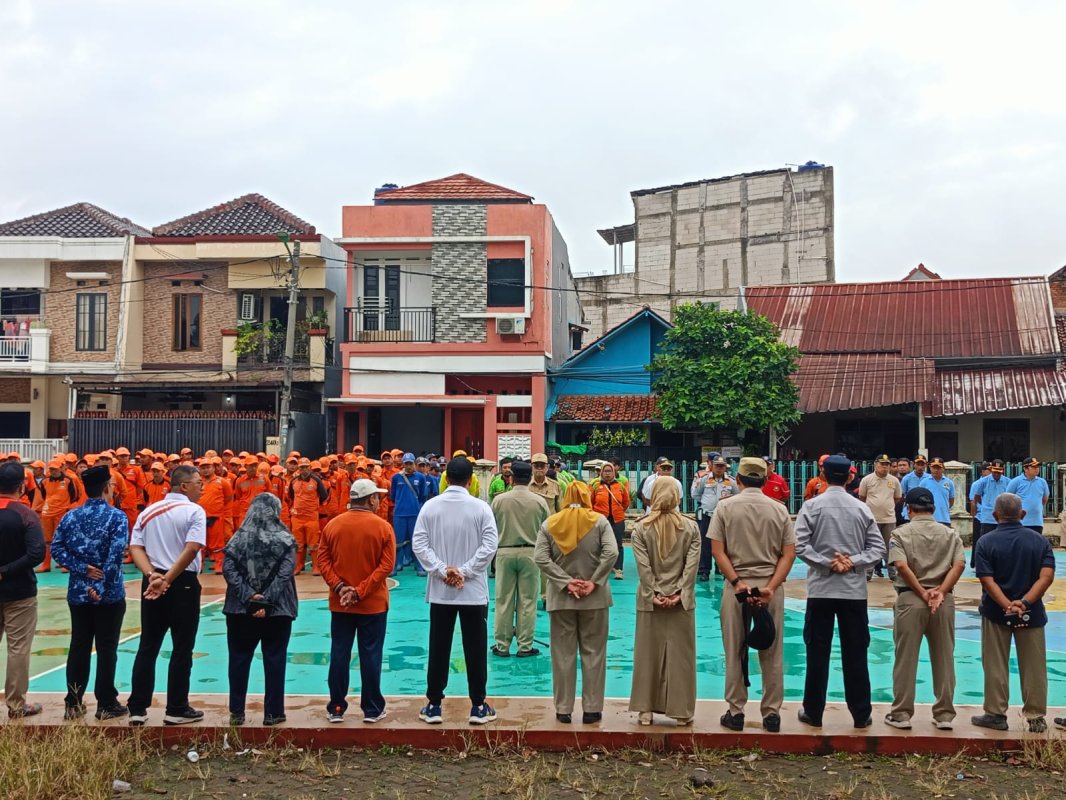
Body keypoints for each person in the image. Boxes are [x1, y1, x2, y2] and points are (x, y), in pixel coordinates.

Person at [794, 455, 886, 729]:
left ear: (822, 475)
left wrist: (827, 563)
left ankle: (813, 711)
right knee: (856, 652)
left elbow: (800, 545)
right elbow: (878, 549)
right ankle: (860, 713)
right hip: (853, 591)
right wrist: (852, 562)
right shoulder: (862, 509)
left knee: (817, 651)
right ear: (850, 477)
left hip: (821, 589)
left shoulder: (811, 507)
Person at [708, 457, 795, 732]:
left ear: (738, 479)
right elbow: (789, 554)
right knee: (772, 649)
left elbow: (717, 551)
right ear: (766, 479)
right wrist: (770, 586)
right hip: (770, 586)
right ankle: (771, 714)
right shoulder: (779, 509)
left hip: (737, 587)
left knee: (734, 649)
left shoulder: (725, 507)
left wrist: (736, 582)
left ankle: (736, 711)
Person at [412, 456, 498, 724]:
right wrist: (465, 571)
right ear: (471, 480)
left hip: (442, 591)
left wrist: (442, 570)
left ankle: (434, 704)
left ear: (446, 478)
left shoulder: (430, 507)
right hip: (472, 592)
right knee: (475, 648)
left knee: (439, 646)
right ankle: (478, 706)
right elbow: (489, 546)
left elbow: (419, 544)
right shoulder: (481, 508)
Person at [126, 464, 208, 726]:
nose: (202, 485)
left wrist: (152, 576)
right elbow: (193, 547)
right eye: (197, 482)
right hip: (180, 582)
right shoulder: (194, 511)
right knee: (182, 647)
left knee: (148, 645)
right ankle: (176, 707)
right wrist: (168, 579)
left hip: (152, 582)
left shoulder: (149, 511)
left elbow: (135, 547)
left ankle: (137, 708)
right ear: (183, 486)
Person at [971, 493, 1055, 733]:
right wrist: (1025, 603)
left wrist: (1007, 604)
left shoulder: (986, 542)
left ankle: (996, 714)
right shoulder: (1039, 541)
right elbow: (1046, 577)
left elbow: (987, 580)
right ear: (1023, 514)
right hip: (1032, 612)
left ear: (995, 515)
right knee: (1034, 665)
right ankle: (1036, 716)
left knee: (995, 663)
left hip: (996, 611)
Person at [50, 465, 129, 720]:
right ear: (107, 488)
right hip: (108, 594)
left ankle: (73, 702)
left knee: (79, 646)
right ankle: (106, 703)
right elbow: (116, 555)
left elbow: (57, 550)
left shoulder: (70, 516)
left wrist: (82, 569)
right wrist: (101, 587)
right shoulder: (117, 517)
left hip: (78, 592)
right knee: (107, 648)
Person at [535, 481, 617, 725]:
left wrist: (565, 582)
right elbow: (611, 553)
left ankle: (563, 709)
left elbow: (540, 557)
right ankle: (592, 709)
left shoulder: (550, 523)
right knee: (594, 653)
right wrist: (593, 581)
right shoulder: (600, 521)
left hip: (562, 599)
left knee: (563, 655)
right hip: (595, 598)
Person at [884, 487, 966, 730]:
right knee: (944, 657)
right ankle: (944, 715)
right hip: (943, 600)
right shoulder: (950, 534)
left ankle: (901, 714)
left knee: (905, 658)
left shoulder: (900, 534)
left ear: (908, 509)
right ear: (933, 508)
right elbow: (959, 565)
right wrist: (939, 592)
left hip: (911, 599)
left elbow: (901, 565)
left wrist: (921, 591)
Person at [316, 478, 394, 723]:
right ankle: (371, 708)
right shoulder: (382, 527)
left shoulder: (333, 526)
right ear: (370, 499)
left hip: (341, 604)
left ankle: (336, 707)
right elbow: (386, 566)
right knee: (370, 654)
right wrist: (360, 591)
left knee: (339, 653)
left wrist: (340, 587)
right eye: (376, 497)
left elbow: (323, 561)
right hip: (372, 605)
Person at [629, 478, 701, 726]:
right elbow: (691, 567)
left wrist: (655, 593)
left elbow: (643, 567)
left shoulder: (641, 528)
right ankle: (681, 712)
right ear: (678, 497)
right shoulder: (691, 528)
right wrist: (679, 592)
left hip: (651, 602)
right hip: (681, 601)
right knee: (682, 657)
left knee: (647, 654)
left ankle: (645, 710)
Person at [221, 493, 298, 726]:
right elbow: (286, 573)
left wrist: (249, 598)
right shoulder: (285, 538)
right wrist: (267, 600)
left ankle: (237, 712)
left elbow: (228, 570)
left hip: (240, 610)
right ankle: (273, 713)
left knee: (239, 658)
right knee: (275, 659)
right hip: (278, 610)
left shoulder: (237, 538)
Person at [0, 461, 46, 718]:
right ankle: (16, 705)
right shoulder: (26, 514)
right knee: (17, 649)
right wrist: (5, 570)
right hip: (19, 592)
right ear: (22, 486)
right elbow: (36, 553)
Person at [491, 461, 550, 657]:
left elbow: (492, 528)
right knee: (527, 601)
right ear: (530, 477)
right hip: (530, 553)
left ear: (512, 477)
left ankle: (502, 645)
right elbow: (546, 529)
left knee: (503, 600)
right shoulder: (539, 501)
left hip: (504, 552)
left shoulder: (499, 500)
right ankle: (525, 646)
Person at [858, 454, 902, 579]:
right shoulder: (867, 480)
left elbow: (897, 498)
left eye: (887, 464)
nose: (885, 467)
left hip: (889, 519)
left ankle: (893, 574)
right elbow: (862, 497)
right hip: (871, 519)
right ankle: (867, 573)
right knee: (870, 546)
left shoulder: (894, 480)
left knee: (891, 547)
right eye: (882, 464)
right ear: (876, 464)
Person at [691, 457, 735, 581]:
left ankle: (721, 569)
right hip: (707, 515)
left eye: (722, 466)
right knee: (705, 544)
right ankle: (705, 570)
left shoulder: (731, 481)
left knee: (724, 543)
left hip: (724, 517)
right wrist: (706, 503)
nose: (719, 468)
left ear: (725, 467)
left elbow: (737, 496)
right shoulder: (704, 479)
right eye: (717, 465)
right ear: (712, 466)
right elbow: (695, 494)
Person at [389, 453, 433, 575]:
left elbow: (423, 495)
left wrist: (415, 505)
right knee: (398, 541)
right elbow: (392, 495)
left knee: (417, 540)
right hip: (399, 514)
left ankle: (420, 566)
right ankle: (397, 564)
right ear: (403, 464)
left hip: (414, 513)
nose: (408, 466)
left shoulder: (421, 477)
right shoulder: (396, 478)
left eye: (410, 463)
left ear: (414, 463)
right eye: (406, 463)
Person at [36, 457, 81, 572]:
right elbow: (43, 496)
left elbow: (74, 496)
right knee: (47, 540)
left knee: (63, 539)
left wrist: (66, 509)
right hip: (47, 514)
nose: (53, 471)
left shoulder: (68, 480)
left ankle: (66, 564)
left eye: (55, 469)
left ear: (61, 468)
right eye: (51, 469)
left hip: (61, 513)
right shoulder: (44, 482)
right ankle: (46, 564)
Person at [288, 458, 329, 574]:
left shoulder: (316, 480)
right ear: (298, 468)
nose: (304, 469)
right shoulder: (293, 481)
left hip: (311, 517)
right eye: (302, 467)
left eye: (306, 467)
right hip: (297, 518)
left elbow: (324, 496)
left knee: (314, 544)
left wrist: (313, 507)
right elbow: (291, 496)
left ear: (309, 468)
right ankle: (298, 566)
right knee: (298, 543)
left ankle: (316, 567)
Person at [590, 462, 630, 580]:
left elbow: (626, 502)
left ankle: (618, 569)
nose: (607, 474)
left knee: (618, 544)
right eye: (605, 471)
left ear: (614, 472)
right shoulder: (595, 486)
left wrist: (619, 511)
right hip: (600, 519)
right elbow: (590, 502)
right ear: (601, 472)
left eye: (610, 471)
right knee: (598, 544)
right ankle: (599, 569)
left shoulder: (620, 486)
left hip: (617, 519)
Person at [969, 459, 1009, 568]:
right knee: (986, 543)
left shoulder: (1008, 482)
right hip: (987, 518)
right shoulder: (983, 482)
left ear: (1003, 471)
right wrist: (986, 507)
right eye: (994, 471)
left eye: (999, 471)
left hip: (1002, 519)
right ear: (991, 470)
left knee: (1002, 543)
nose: (996, 474)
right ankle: (983, 565)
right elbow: (976, 498)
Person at [1006, 457, 1049, 534]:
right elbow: (1008, 499)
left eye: (1037, 467)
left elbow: (1044, 499)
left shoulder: (1042, 482)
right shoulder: (1015, 481)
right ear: (1025, 469)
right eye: (1033, 467)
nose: (1037, 469)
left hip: (1037, 522)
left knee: (1036, 544)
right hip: (1020, 522)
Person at [919, 458, 956, 526]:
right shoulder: (924, 482)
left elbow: (951, 500)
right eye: (934, 467)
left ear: (943, 468)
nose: (936, 470)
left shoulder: (949, 483)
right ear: (930, 467)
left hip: (944, 518)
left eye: (938, 467)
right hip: (928, 519)